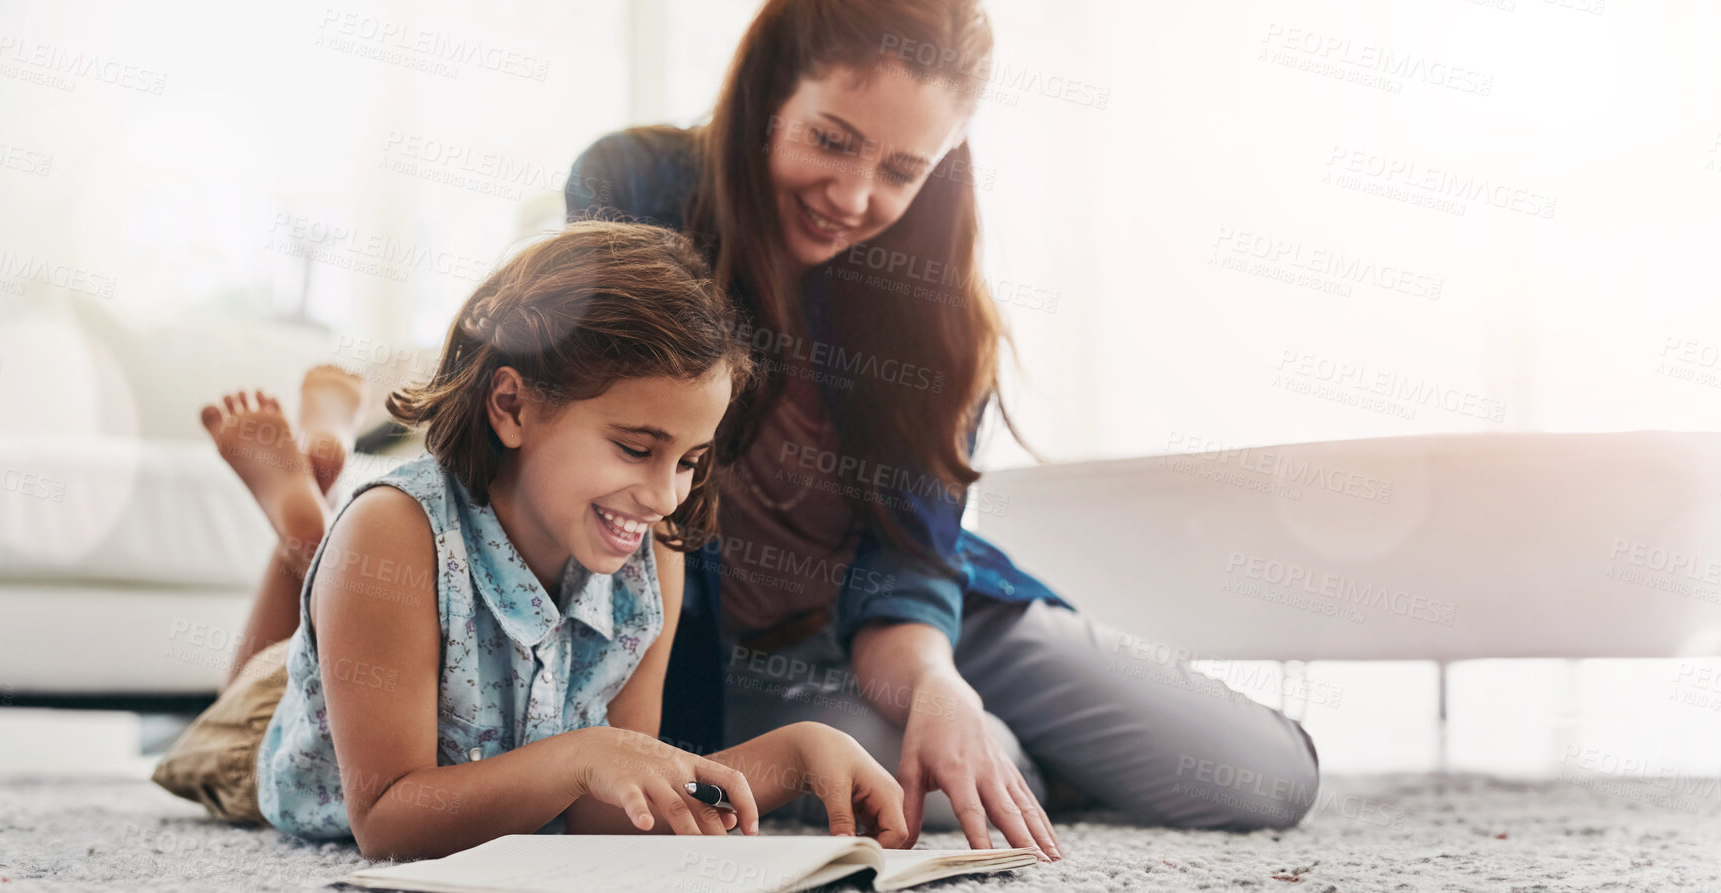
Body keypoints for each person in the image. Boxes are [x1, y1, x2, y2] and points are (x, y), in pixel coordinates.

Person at [565, 0, 1320, 859]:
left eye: (903, 167)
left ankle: (1007, 734)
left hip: (922, 622)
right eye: (834, 139)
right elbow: (617, 429)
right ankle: (1033, 758)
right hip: (753, 656)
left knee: (1268, 775)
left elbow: (909, 562)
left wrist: (937, 683)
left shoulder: (934, 311)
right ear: (772, 92)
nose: (852, 197)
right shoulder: (635, 187)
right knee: (961, 784)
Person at [152, 222, 909, 859]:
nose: (665, 493)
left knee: (338, 572)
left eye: (689, 460)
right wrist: (582, 756)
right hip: (306, 730)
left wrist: (796, 753)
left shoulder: (655, 554)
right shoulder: (394, 534)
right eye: (636, 447)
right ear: (512, 405)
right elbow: (384, 818)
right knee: (241, 708)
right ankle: (298, 501)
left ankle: (320, 478)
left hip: (379, 627)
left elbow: (610, 810)